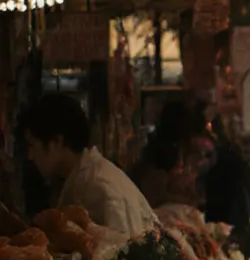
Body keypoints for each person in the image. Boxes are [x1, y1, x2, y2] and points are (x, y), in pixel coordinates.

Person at [20, 93, 157, 237]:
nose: (30, 156)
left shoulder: (98, 188)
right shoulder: (84, 177)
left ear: (57, 142)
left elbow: (117, 252)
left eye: (32, 145)